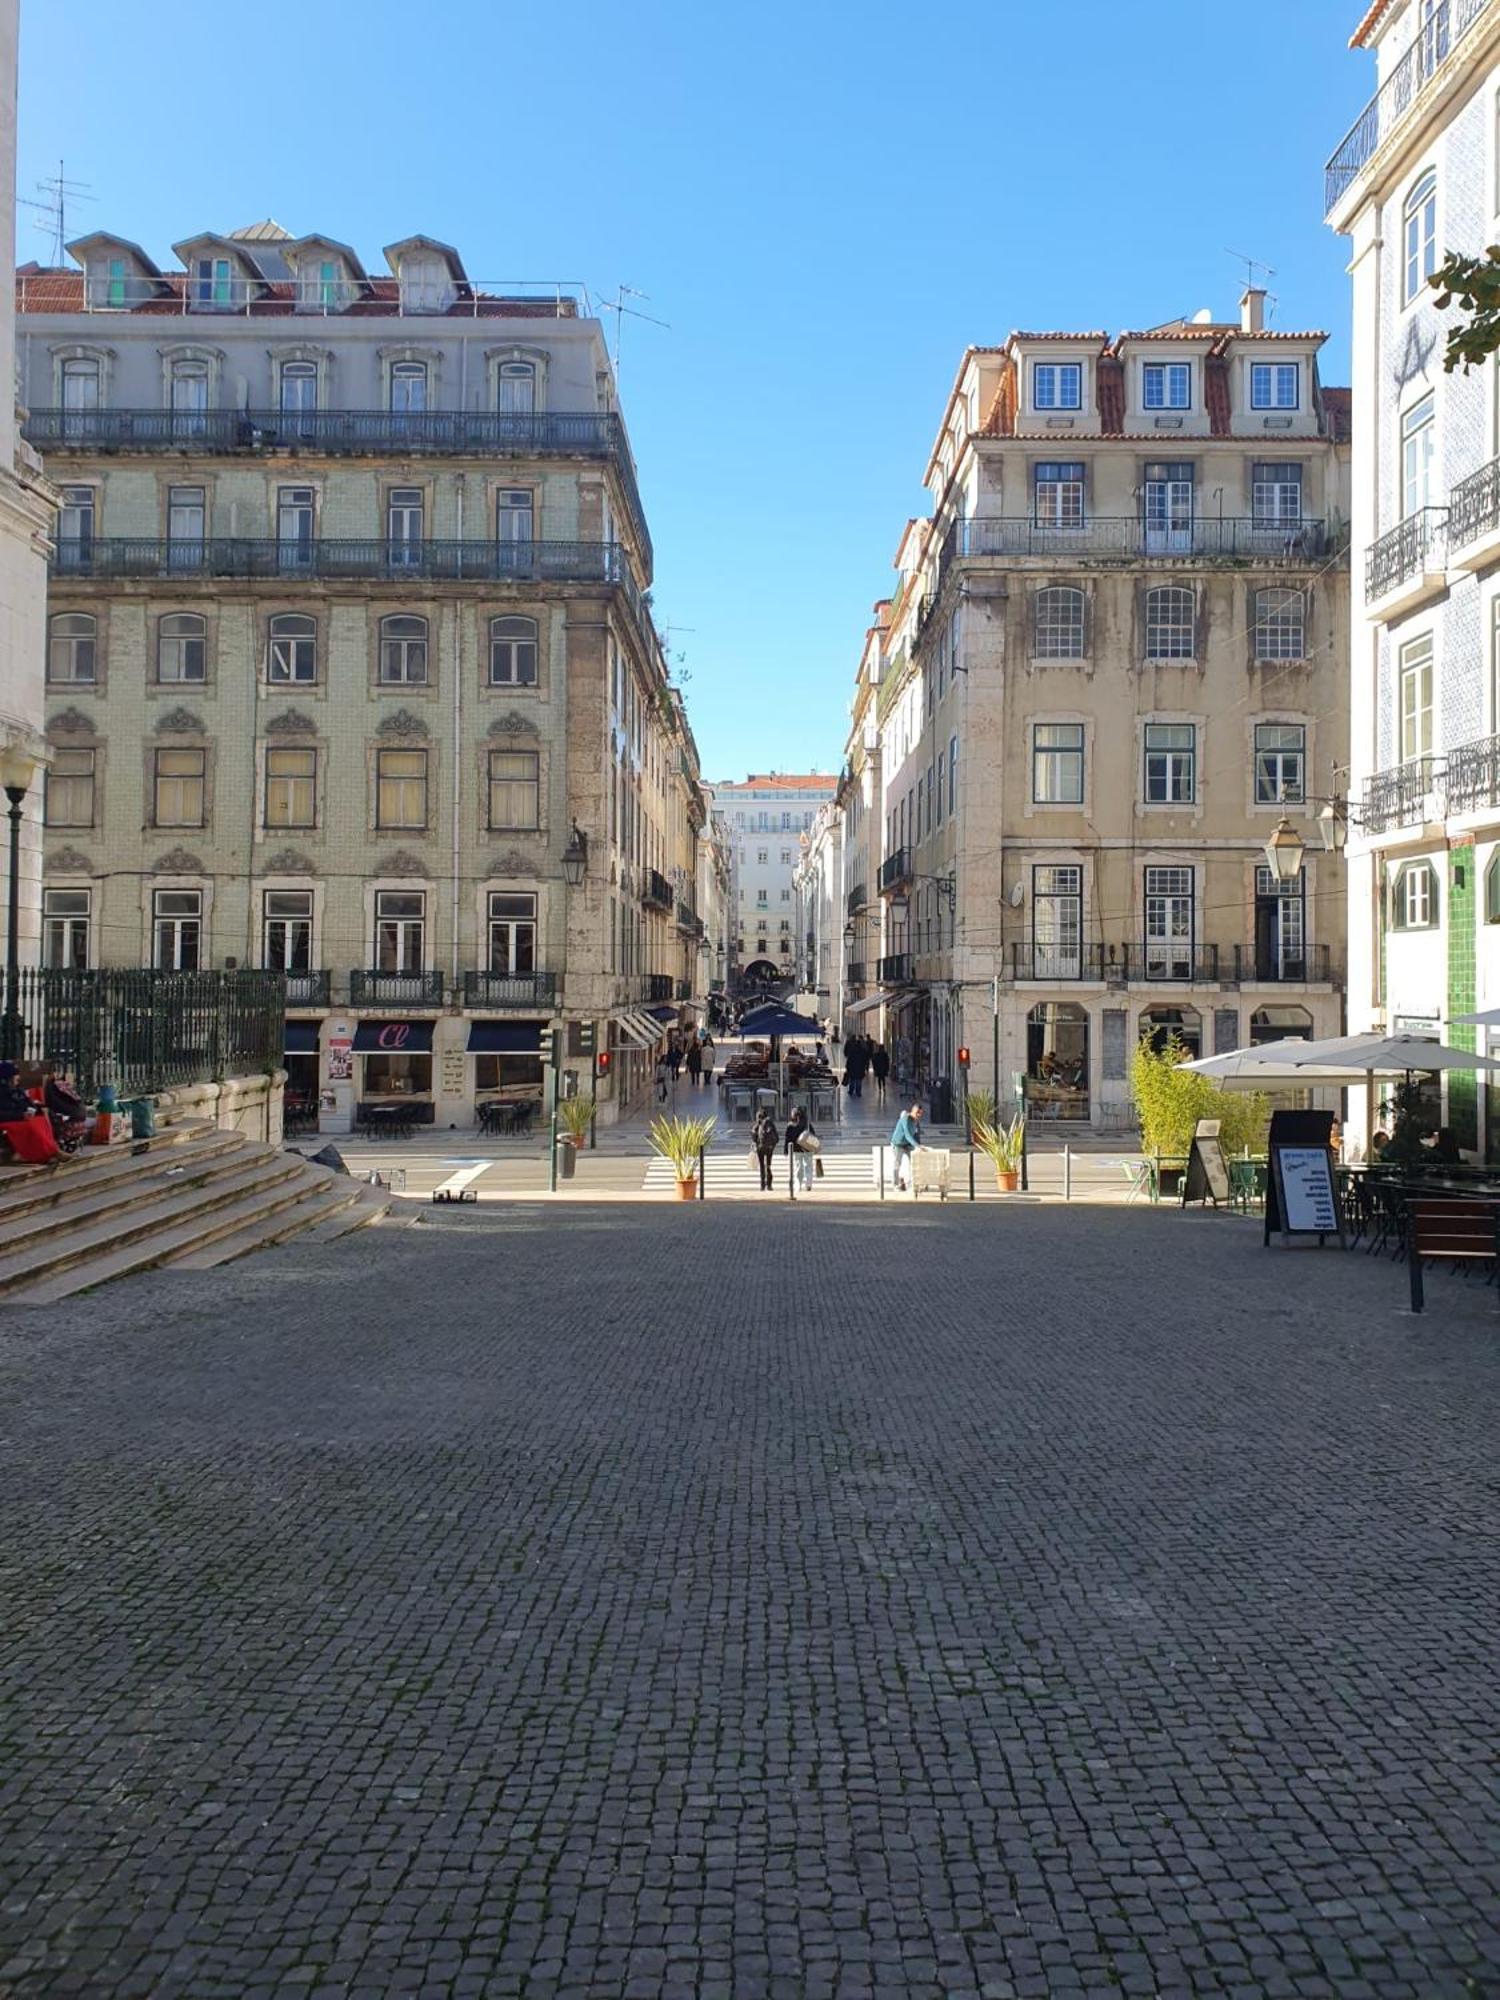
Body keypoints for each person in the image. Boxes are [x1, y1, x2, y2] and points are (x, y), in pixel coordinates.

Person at [889, 1102, 923, 1192]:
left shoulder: (916, 1121)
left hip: (908, 1144)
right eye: (917, 1113)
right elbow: (907, 1134)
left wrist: (919, 1145)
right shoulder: (906, 1119)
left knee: (914, 1162)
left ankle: (914, 1183)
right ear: (912, 1111)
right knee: (897, 1163)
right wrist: (917, 1145)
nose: (918, 1115)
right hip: (898, 1144)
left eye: (920, 1113)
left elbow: (916, 1134)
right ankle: (895, 1184)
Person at [785, 1105, 818, 1192]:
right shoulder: (807, 1124)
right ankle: (808, 1184)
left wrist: (786, 1150)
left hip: (796, 1149)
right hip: (807, 1149)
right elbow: (813, 1135)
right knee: (808, 1166)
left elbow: (787, 1139)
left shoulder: (790, 1126)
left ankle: (798, 1185)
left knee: (798, 1167)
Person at [751, 1107, 779, 1191]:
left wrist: (756, 1143)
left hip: (760, 1147)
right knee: (768, 1165)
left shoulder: (757, 1125)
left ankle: (762, 1185)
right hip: (770, 1147)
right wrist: (773, 1144)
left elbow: (753, 1136)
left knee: (762, 1166)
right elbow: (776, 1137)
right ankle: (769, 1185)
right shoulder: (770, 1123)